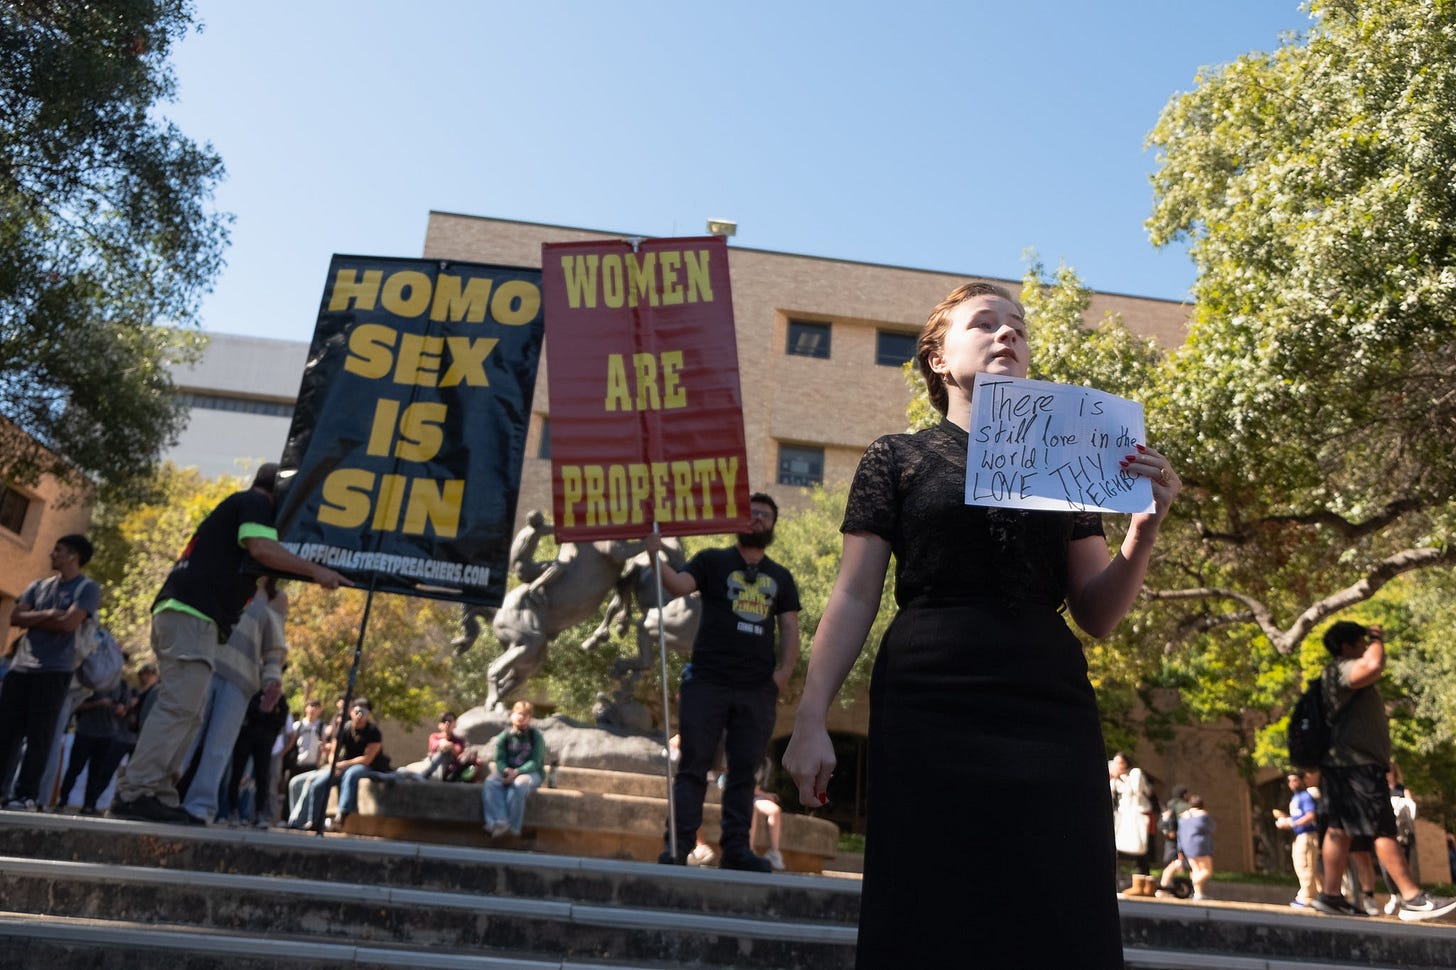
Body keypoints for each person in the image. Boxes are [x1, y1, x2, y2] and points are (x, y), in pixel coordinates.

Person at [782, 281, 1183, 968]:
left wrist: (1143, 532)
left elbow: (1099, 613)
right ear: (938, 359)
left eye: (1018, 328)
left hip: (1046, 697)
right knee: (928, 898)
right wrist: (811, 715)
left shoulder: (1066, 461)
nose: (1008, 335)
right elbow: (853, 596)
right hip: (928, 691)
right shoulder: (895, 458)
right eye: (986, 323)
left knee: (1059, 897)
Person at [111, 463, 348, 824]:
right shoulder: (254, 503)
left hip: (193, 618)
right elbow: (261, 549)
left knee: (189, 713)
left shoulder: (241, 509)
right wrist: (315, 570)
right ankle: (136, 792)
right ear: (279, 492)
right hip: (190, 614)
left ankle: (157, 794)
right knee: (179, 708)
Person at [646, 492, 801, 873]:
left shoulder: (780, 577)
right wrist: (655, 553)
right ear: (738, 522)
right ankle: (677, 847)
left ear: (773, 526)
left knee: (744, 772)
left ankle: (737, 851)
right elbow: (679, 586)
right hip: (707, 682)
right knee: (693, 766)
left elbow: (790, 627)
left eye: (766, 515)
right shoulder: (713, 561)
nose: (759, 519)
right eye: (752, 514)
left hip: (756, 689)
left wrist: (782, 675)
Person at [1312, 621, 1456, 921]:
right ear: (1347, 646)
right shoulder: (1343, 669)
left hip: (1346, 765)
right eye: (1362, 641)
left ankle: (1330, 896)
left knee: (1339, 830)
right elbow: (1374, 665)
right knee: (1381, 826)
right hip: (1357, 765)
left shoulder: (1335, 673)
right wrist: (1378, 636)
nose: (1367, 645)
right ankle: (1412, 898)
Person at [1, 534, 102, 811]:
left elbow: (70, 623)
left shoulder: (87, 588)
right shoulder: (38, 586)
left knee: (40, 736)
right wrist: (50, 615)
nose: (52, 554)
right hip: (21, 667)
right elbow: (16, 617)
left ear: (73, 555)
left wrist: (39, 617)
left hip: (55, 670)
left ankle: (26, 795)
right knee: (6, 732)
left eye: (58, 550)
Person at [178, 579, 288, 825]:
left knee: (219, 745)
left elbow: (275, 646)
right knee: (184, 736)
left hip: (241, 677)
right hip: (203, 663)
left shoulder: (275, 597)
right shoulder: (226, 573)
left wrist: (272, 679)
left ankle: (200, 807)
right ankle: (164, 797)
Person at [287, 697, 385, 830]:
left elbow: (367, 759)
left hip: (366, 767)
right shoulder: (344, 728)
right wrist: (335, 765)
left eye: (364, 712)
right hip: (341, 766)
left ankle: (341, 815)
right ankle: (314, 822)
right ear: (351, 712)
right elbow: (333, 751)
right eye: (357, 711)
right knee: (317, 785)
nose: (360, 716)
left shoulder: (373, 731)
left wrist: (342, 765)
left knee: (351, 774)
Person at [56, 679, 127, 814]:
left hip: (108, 735)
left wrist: (120, 709)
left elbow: (124, 709)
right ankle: (62, 801)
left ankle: (90, 804)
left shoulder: (122, 685)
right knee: (74, 769)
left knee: (97, 772)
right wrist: (98, 703)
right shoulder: (91, 680)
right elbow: (76, 705)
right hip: (85, 732)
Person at [226, 682, 290, 826]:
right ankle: (233, 810)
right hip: (246, 737)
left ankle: (260, 812)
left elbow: (280, 721)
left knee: (263, 776)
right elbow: (248, 712)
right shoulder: (253, 692)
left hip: (265, 741)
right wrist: (265, 712)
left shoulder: (281, 699)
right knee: (237, 773)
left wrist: (267, 715)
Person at [482, 700, 546, 838]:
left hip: (530, 773)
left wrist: (517, 772)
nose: (520, 717)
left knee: (519, 784)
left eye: (524, 715)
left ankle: (514, 828)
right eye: (518, 713)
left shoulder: (536, 736)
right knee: (491, 782)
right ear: (512, 715)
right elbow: (499, 759)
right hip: (508, 771)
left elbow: (536, 761)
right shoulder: (504, 736)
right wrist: (506, 771)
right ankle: (499, 822)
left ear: (530, 718)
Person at [1110, 751, 1157, 894]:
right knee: (1119, 850)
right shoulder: (1115, 780)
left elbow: (1137, 791)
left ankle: (1144, 885)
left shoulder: (1135, 774)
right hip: (1124, 818)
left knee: (1141, 850)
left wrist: (1123, 778)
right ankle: (1131, 884)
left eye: (1120, 763)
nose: (1117, 766)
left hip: (1138, 815)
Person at [1274, 771, 1321, 908]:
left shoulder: (1305, 797)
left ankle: (1307, 897)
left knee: (1306, 865)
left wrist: (1291, 823)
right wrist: (1286, 820)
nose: (1292, 784)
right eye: (1289, 781)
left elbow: (1310, 815)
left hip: (1307, 836)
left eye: (1295, 780)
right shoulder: (1296, 798)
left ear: (1302, 780)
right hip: (1298, 836)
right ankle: (1314, 893)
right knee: (1301, 865)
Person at [1177, 794, 1215, 901]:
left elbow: (1179, 834)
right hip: (1200, 845)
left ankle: (1198, 894)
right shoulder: (1203, 815)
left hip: (1186, 846)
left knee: (1196, 869)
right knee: (1207, 871)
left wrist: (1180, 850)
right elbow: (1212, 827)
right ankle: (1193, 883)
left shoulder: (1182, 817)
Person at [421, 711, 465, 780]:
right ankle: (427, 773)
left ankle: (426, 774)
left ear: (455, 723)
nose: (447, 723)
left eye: (450, 721)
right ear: (439, 724)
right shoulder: (434, 736)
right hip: (434, 765)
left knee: (446, 753)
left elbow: (458, 753)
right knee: (443, 753)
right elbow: (434, 746)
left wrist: (450, 746)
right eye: (444, 721)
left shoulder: (458, 740)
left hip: (449, 771)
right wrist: (443, 743)